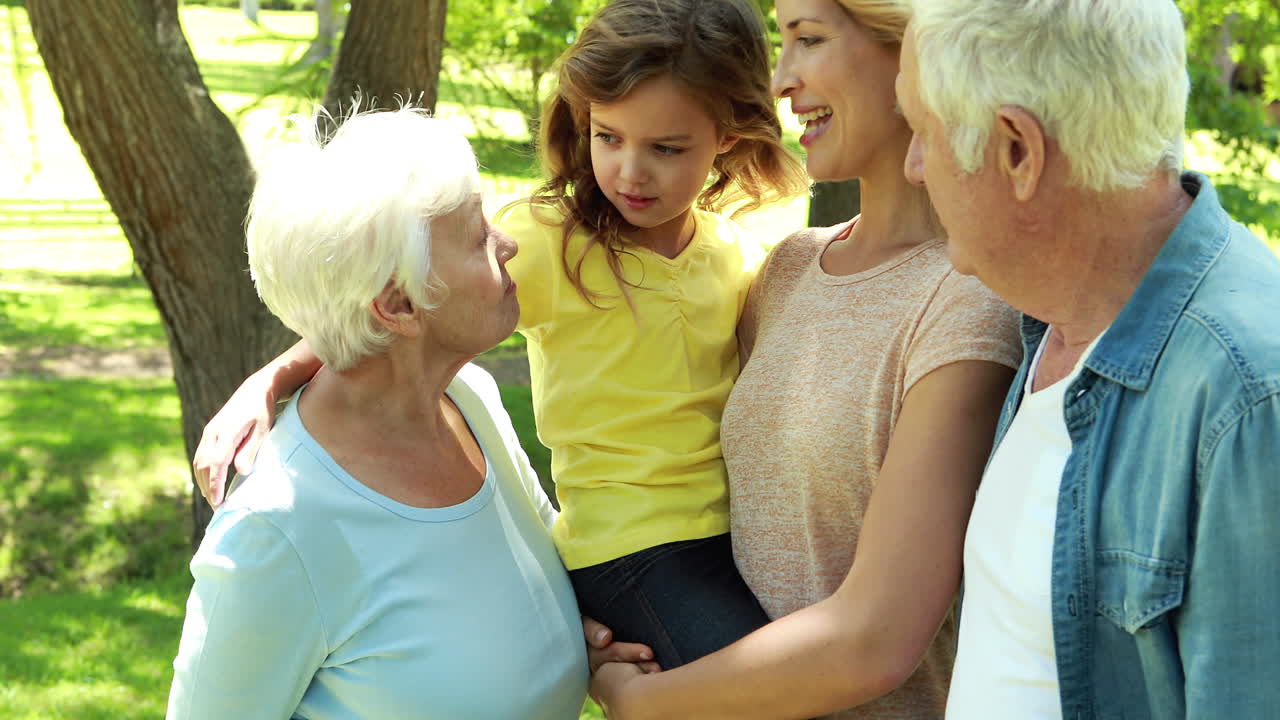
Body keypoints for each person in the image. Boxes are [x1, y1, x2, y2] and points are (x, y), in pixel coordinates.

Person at [191, 0, 809, 671]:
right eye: (608, 137)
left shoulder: (739, 256)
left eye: (665, 149)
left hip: (731, 538)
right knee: (779, 689)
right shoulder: (554, 241)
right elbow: (401, 310)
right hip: (630, 549)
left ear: (727, 135)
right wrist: (270, 379)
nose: (630, 171)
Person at [590, 1, 1021, 718]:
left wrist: (644, 703)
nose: (781, 80)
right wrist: (612, 606)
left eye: (809, 39)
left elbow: (876, 641)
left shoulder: (969, 298)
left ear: (915, 50)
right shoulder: (790, 267)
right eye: (781, 42)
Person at [894, 1, 1280, 717]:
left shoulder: (1248, 396)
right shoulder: (1054, 314)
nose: (913, 166)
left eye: (923, 130)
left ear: (1017, 150)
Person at [165, 108, 592, 719]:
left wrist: (594, 644)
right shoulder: (274, 532)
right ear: (400, 306)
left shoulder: (469, 399)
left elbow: (541, 597)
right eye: (477, 238)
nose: (508, 244)